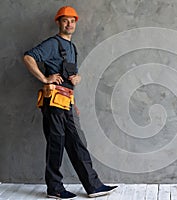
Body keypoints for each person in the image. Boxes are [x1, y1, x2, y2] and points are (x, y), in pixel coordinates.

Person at [23, 6, 117, 199]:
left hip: (66, 102)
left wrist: (76, 84)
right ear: (58, 22)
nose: (69, 24)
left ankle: (93, 185)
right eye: (65, 20)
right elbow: (28, 57)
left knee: (76, 143)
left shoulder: (72, 47)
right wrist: (45, 78)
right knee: (56, 143)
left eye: (72, 21)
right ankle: (55, 188)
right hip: (53, 102)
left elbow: (69, 77)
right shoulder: (52, 43)